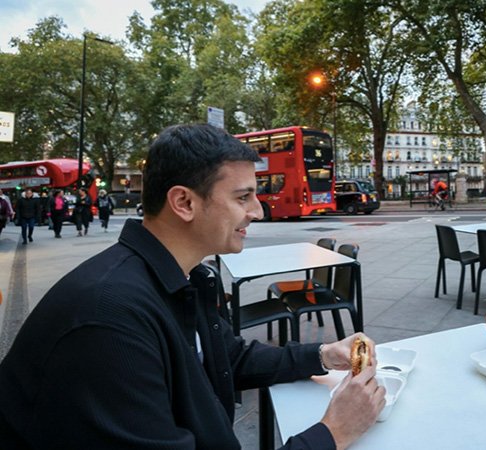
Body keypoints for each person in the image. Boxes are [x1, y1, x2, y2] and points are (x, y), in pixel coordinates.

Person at [0, 124, 386, 449]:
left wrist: (321, 355)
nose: (257, 210)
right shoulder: (110, 320)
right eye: (243, 197)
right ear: (184, 202)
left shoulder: (188, 277)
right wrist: (332, 432)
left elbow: (226, 360)